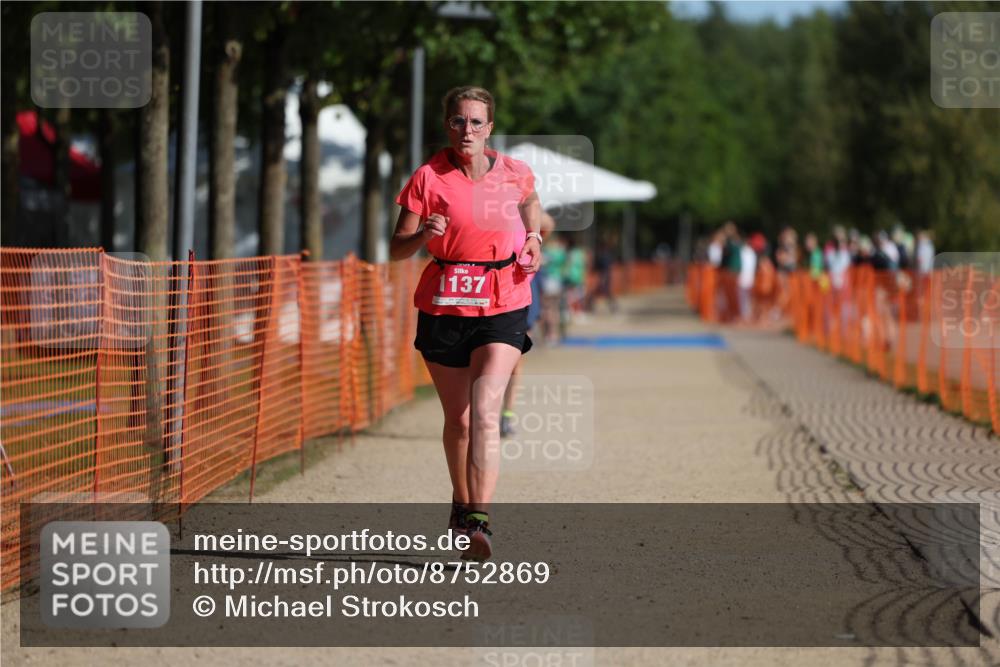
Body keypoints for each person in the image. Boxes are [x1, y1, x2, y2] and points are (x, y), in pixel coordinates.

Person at [389, 86, 542, 561]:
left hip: (506, 297)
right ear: (447, 125)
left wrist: (533, 235)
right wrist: (421, 236)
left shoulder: (515, 172)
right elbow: (395, 247)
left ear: (490, 128)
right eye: (458, 121)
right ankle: (460, 503)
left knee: (484, 413)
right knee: (458, 420)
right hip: (445, 305)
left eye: (476, 122)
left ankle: (479, 518)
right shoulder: (427, 177)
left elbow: (531, 200)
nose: (467, 130)